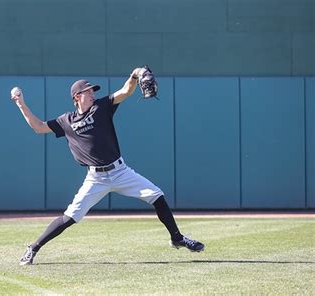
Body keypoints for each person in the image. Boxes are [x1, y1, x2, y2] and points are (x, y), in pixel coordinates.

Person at [11, 67, 205, 266]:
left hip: (120, 171)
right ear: (77, 96)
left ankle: (177, 238)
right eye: (88, 91)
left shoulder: (101, 107)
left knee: (157, 196)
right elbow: (38, 127)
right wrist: (21, 104)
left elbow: (125, 92)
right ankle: (33, 248)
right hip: (95, 179)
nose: (93, 94)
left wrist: (135, 74)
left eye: (93, 90)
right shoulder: (66, 121)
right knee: (70, 217)